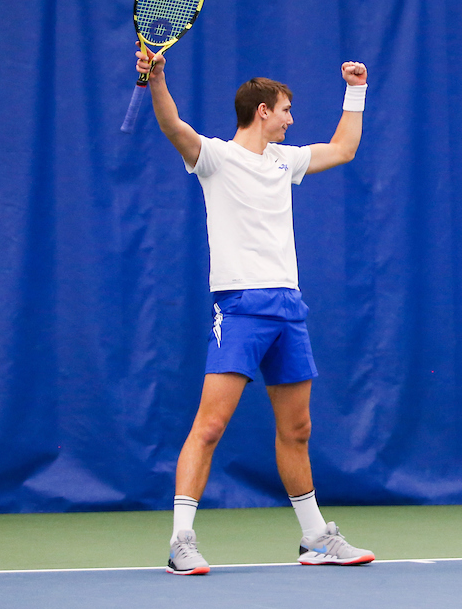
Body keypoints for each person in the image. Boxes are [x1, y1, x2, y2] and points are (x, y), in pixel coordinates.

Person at [134, 43, 375, 574]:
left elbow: (344, 148)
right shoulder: (215, 157)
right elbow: (173, 124)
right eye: (286, 110)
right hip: (240, 307)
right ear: (262, 111)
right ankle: (181, 541)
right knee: (210, 426)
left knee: (298, 430)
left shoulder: (284, 162)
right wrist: (156, 79)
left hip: (289, 307)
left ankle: (315, 538)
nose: (291, 119)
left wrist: (355, 89)